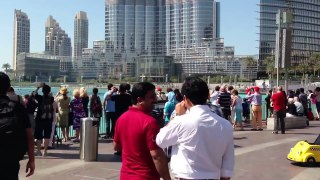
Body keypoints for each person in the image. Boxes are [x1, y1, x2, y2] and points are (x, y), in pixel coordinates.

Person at [156, 77, 234, 180]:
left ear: (185, 99)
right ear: (208, 96)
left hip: (185, 177)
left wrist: (176, 116)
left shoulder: (181, 121)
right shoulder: (225, 125)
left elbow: (160, 140)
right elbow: (227, 165)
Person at [114, 82, 171, 180]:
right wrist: (167, 178)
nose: (155, 100)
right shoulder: (150, 122)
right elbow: (156, 156)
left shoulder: (121, 119)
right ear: (140, 100)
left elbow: (116, 147)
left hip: (125, 175)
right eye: (152, 97)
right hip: (145, 176)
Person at [0, 72, 35, 179]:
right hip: (11, 159)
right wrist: (31, 159)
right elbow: (29, 136)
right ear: (8, 88)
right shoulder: (18, 108)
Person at [34, 83, 54, 156]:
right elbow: (51, 94)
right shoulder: (51, 98)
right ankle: (45, 151)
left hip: (40, 119)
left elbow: (34, 93)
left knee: (39, 136)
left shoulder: (39, 98)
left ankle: (38, 151)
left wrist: (38, 87)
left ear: (42, 91)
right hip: (48, 119)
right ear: (49, 91)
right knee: (47, 136)